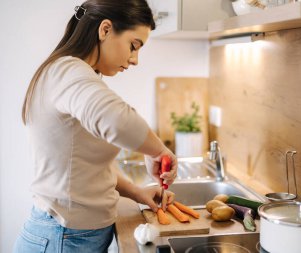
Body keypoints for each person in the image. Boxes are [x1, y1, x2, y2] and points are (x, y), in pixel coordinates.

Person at [13, 0, 178, 252]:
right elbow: (119, 121)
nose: (135, 60)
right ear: (105, 29)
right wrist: (158, 151)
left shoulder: (70, 73)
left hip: (69, 236)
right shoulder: (68, 71)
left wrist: (136, 192)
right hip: (62, 238)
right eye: (133, 46)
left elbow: (85, 167)